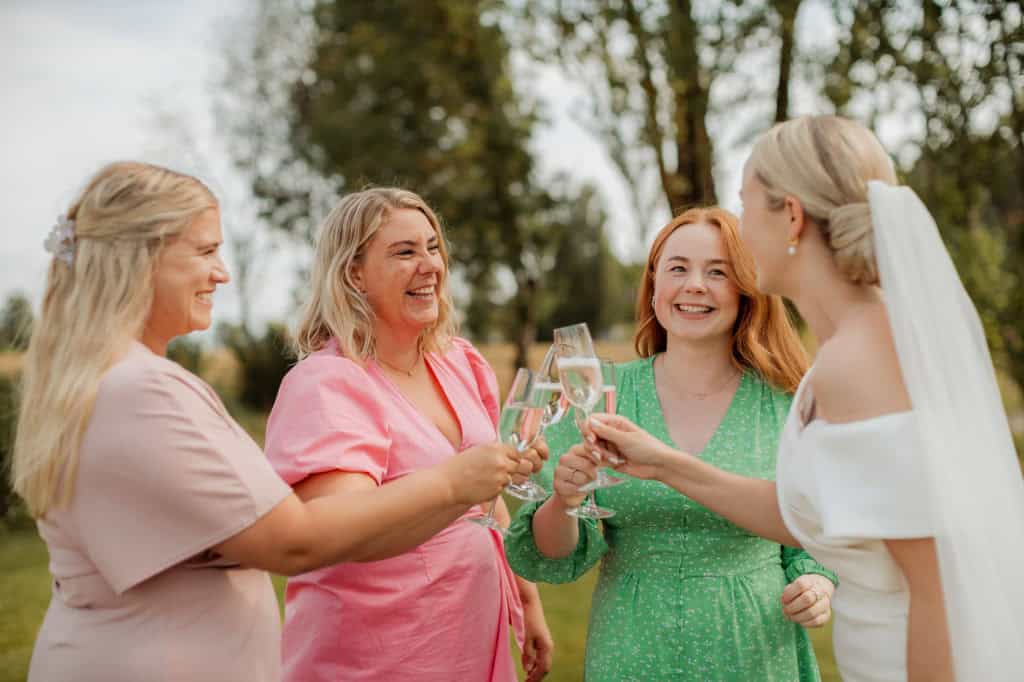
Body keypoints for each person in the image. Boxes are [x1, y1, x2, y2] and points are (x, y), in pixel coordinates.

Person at [11, 162, 530, 682]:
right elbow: (294, 541)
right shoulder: (142, 390)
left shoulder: (112, 379)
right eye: (206, 251)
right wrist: (454, 482)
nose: (222, 273)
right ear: (144, 256)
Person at [588, 115, 1024, 681]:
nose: (739, 230)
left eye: (746, 206)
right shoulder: (846, 351)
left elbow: (935, 585)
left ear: (790, 215)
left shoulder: (860, 363)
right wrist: (665, 464)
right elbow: (805, 515)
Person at [504, 206, 837, 681]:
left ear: (745, 289)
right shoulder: (603, 396)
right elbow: (552, 552)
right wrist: (564, 498)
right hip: (632, 649)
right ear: (654, 286)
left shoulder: (785, 404)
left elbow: (817, 531)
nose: (695, 284)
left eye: (717, 272)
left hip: (751, 649)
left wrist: (817, 582)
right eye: (678, 268)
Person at [263, 187, 554, 682]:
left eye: (433, 247)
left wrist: (527, 598)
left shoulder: (461, 362)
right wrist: (457, 480)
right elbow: (337, 531)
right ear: (353, 272)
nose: (430, 265)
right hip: (380, 652)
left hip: (470, 638)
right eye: (405, 252)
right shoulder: (328, 383)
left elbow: (485, 501)